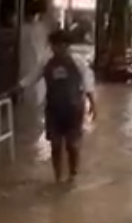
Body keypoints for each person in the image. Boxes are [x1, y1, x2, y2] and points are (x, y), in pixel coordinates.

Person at [17, 29, 96, 183]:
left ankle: (73, 174)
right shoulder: (46, 62)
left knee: (72, 145)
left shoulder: (77, 62)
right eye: (55, 45)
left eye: (62, 45)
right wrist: (17, 89)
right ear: (52, 46)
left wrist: (93, 104)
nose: (58, 49)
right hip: (53, 109)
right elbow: (31, 78)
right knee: (55, 144)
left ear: (68, 46)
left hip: (74, 109)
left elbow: (88, 82)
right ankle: (58, 178)